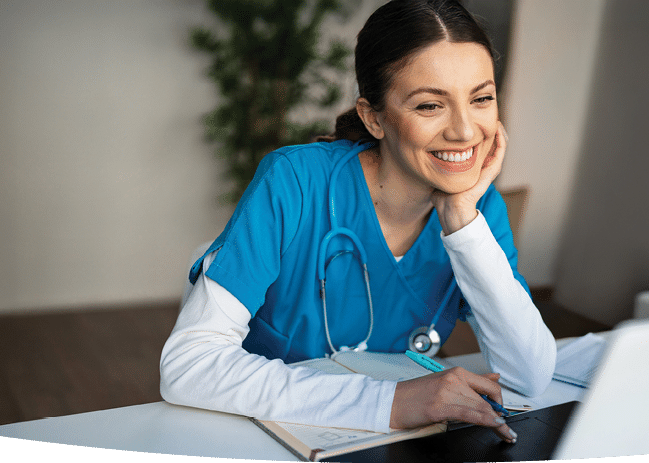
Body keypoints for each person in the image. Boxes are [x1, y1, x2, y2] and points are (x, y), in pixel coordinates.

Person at [160, 0, 557, 444]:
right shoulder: (295, 182)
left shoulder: (478, 210)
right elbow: (189, 364)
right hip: (261, 435)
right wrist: (390, 403)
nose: (465, 131)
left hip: (381, 443)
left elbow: (529, 375)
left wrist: (462, 222)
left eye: (481, 99)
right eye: (430, 106)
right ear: (374, 117)